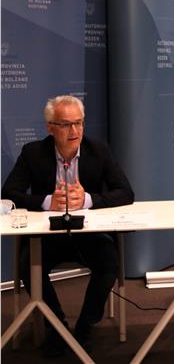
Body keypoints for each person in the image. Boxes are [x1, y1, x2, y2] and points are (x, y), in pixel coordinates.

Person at [2, 95, 134, 356]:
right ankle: (56, 327)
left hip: (88, 233)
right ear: (50, 127)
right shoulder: (33, 153)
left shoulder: (99, 150)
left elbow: (126, 192)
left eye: (79, 123)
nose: (74, 131)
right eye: (65, 125)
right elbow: (9, 193)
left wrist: (87, 199)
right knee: (29, 265)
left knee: (109, 263)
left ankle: (85, 327)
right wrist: (46, 201)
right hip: (48, 235)